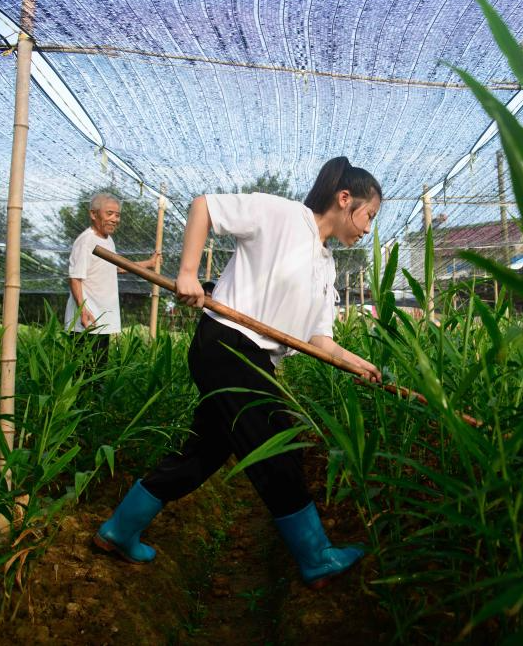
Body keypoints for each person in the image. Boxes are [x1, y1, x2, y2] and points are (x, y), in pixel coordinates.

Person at [94, 157, 382, 589]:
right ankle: (316, 556)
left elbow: (318, 338)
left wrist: (356, 363)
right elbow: (203, 206)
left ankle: (119, 530)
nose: (367, 228)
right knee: (277, 449)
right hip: (227, 345)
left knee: (202, 455)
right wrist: (188, 274)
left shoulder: (327, 267)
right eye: (369, 216)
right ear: (345, 200)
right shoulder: (284, 216)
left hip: (258, 360)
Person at [64, 192, 158, 367]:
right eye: (110, 214)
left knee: (98, 372)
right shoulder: (86, 241)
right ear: (93, 214)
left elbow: (117, 267)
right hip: (87, 321)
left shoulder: (108, 241)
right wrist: (83, 311)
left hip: (102, 319)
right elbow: (75, 277)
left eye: (118, 215)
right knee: (83, 374)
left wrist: (149, 263)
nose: (115, 219)